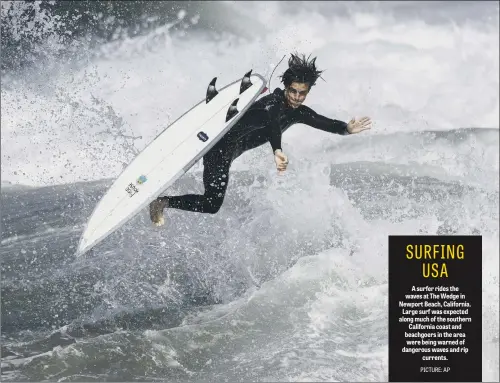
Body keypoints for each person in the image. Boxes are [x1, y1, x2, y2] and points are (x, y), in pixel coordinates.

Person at [149, 53, 372, 226]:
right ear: (286, 87)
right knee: (211, 201)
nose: (296, 97)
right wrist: (277, 150)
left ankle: (163, 202)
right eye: (293, 91)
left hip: (226, 156)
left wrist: (346, 129)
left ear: (308, 92)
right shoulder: (271, 104)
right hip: (217, 147)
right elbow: (272, 123)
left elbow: (323, 122)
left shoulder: (298, 112)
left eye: (301, 93)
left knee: (211, 204)